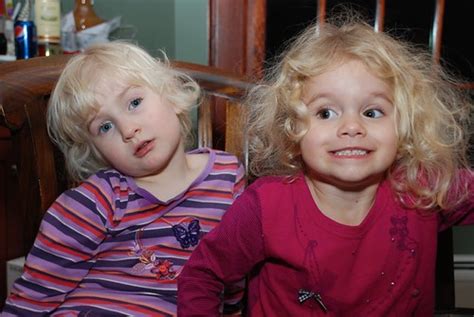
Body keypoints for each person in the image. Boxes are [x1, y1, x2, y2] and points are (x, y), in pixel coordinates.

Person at [177, 16, 474, 316]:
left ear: (405, 125)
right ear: (292, 129)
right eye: (325, 113)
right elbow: (202, 276)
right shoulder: (266, 207)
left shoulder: (423, 188)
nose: (351, 126)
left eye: (372, 112)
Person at [2, 41, 245, 316]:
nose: (128, 130)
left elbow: (233, 272)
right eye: (105, 127)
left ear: (172, 95)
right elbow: (30, 301)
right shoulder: (94, 203)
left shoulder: (227, 177)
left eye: (134, 102)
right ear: (94, 151)